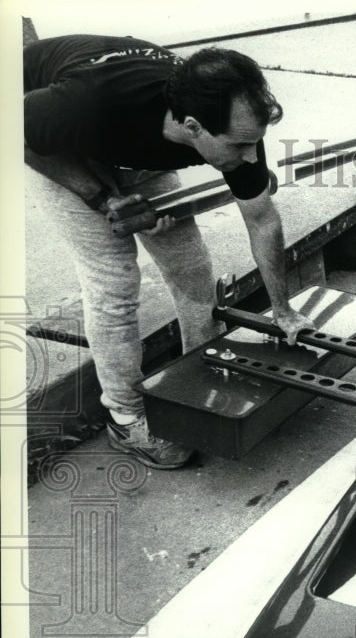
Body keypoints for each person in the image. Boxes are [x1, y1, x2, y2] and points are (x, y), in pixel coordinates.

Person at [23, 34, 312, 469]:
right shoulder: (84, 103)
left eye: (254, 142)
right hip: (50, 136)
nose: (252, 156)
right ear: (192, 127)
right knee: (115, 282)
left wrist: (282, 309)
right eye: (238, 147)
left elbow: (262, 218)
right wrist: (102, 198)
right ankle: (126, 416)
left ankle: (202, 376)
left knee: (192, 268)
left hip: (126, 138)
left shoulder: (234, 122)